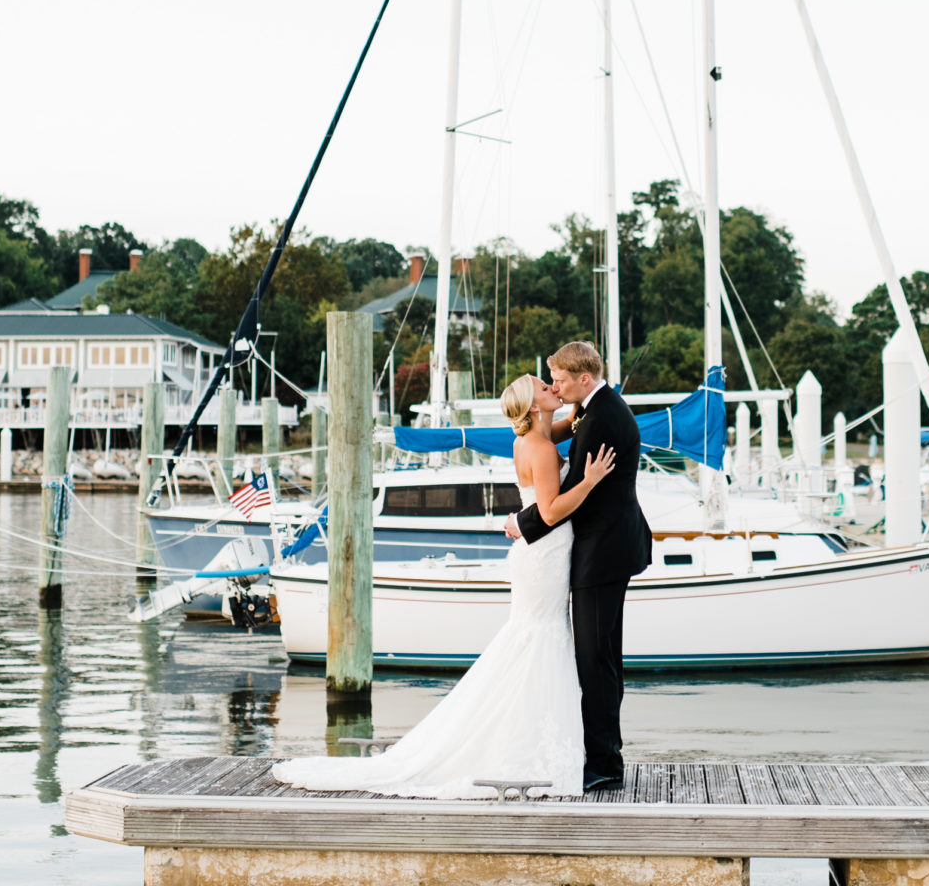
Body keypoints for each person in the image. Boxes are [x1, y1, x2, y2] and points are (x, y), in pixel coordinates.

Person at [270, 373, 616, 799]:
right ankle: (532, 750)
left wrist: (587, 411)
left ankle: (531, 742)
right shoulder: (541, 449)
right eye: (544, 387)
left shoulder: (534, 436)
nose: (552, 387)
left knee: (535, 641)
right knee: (541, 640)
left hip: (542, 555)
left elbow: (565, 426)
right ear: (532, 406)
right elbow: (549, 511)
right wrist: (591, 479)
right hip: (544, 554)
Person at [505, 340, 649, 794]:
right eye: (550, 383)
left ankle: (604, 762)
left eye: (561, 380)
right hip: (591, 551)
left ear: (583, 379)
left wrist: (520, 522)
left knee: (596, 659)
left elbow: (555, 508)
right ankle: (599, 755)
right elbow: (554, 440)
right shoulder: (593, 407)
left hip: (601, 553)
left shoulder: (602, 416)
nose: (556, 386)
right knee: (597, 657)